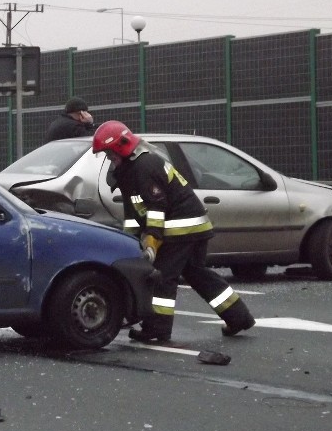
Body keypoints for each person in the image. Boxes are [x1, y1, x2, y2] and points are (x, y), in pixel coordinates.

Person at [92, 120, 255, 342]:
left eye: (109, 154)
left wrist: (152, 240)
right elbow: (134, 212)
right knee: (198, 274)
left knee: (162, 278)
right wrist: (129, 242)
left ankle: (157, 329)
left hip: (180, 229)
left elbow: (157, 207)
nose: (109, 159)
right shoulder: (132, 169)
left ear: (121, 147)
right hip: (194, 226)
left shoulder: (143, 167)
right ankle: (238, 317)